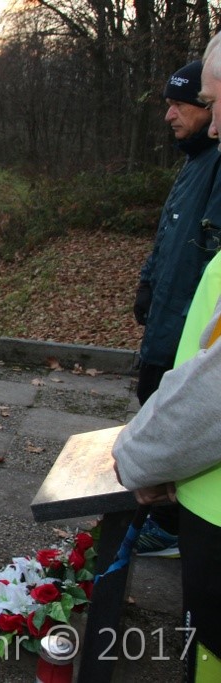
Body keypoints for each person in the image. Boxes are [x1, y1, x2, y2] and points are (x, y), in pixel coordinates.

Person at [129, 60, 221, 558]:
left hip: (190, 331)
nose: (169, 115)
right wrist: (148, 281)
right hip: (168, 319)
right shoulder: (195, 160)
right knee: (152, 398)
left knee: (170, 416)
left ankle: (171, 527)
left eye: (182, 104)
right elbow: (170, 233)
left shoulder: (217, 164)